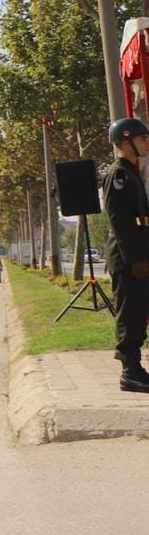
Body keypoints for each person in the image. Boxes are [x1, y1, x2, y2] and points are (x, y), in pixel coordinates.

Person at [103, 118, 149, 392]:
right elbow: (120, 222)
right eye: (142, 138)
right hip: (128, 259)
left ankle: (136, 368)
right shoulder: (118, 175)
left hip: (138, 255)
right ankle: (130, 371)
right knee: (129, 314)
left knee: (139, 312)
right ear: (126, 141)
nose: (146, 143)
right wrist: (135, 260)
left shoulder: (131, 172)